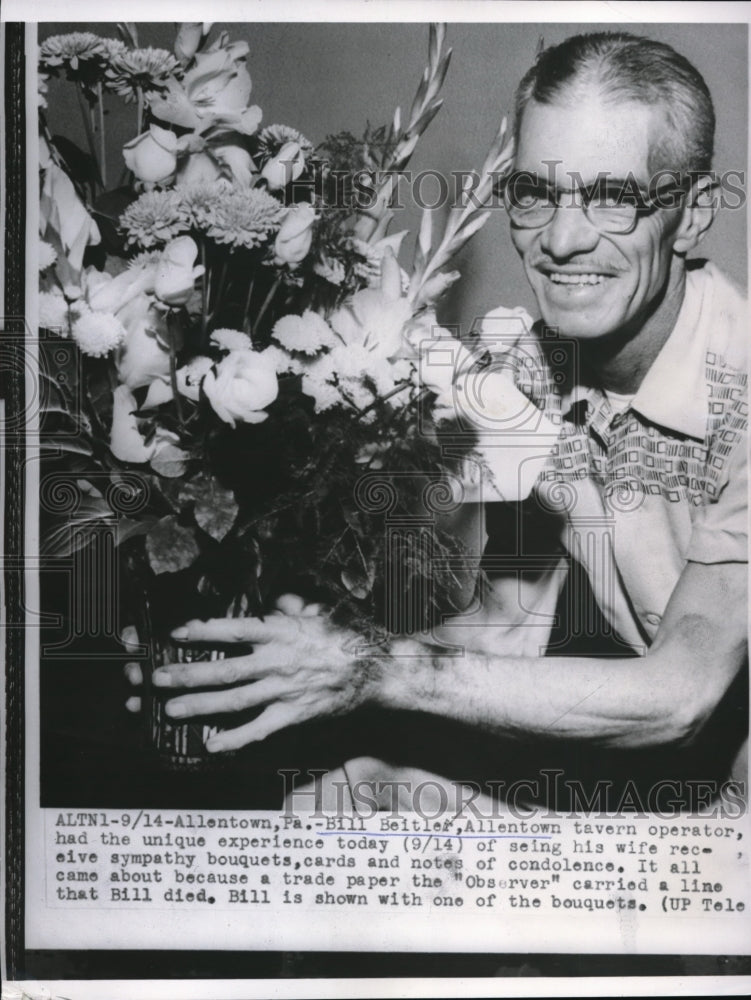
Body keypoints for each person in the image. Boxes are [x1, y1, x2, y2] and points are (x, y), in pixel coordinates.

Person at [126, 31, 748, 811]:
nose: (559, 240)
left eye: (612, 198)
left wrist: (372, 670)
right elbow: (513, 624)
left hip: (728, 839)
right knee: (326, 801)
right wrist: (279, 656)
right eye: (534, 193)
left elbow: (678, 698)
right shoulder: (536, 364)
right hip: (647, 794)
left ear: (688, 218)